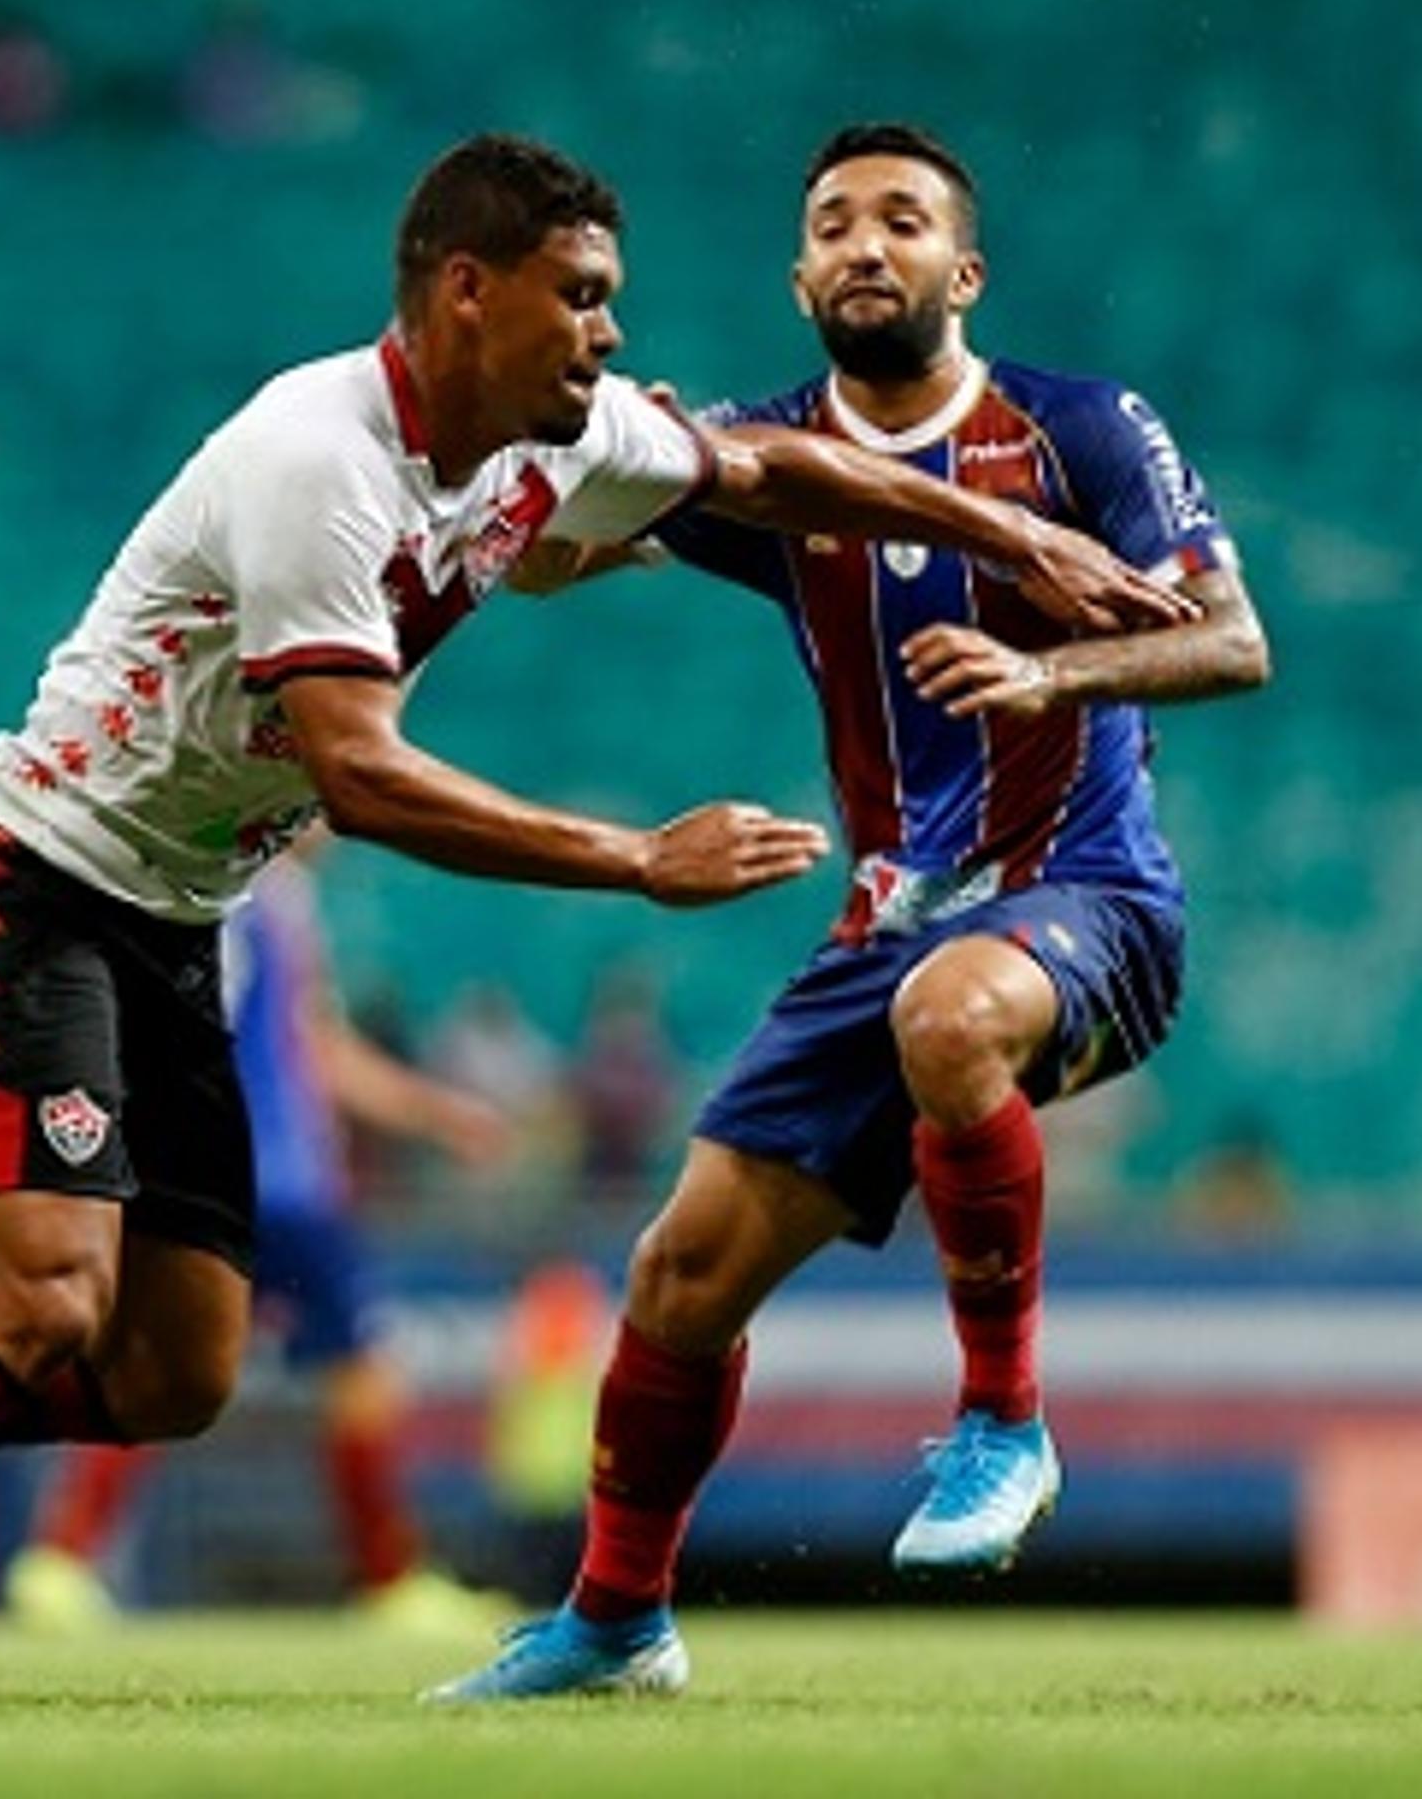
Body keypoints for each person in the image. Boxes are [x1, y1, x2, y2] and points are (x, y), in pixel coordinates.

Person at [0, 130, 1194, 1707]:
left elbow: (776, 471)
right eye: (579, 298)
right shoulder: (319, 460)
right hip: (29, 879)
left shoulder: (543, 442)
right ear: (465, 292)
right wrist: (639, 859)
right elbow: (359, 780)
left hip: (175, 912)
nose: (610, 333)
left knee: (171, 1374)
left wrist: (1017, 532)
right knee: (46, 1303)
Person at [431, 121, 1269, 1702]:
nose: (864, 244)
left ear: (965, 271)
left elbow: (1234, 643)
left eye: (901, 220)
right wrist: (593, 463)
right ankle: (616, 1626)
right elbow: (540, 564)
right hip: (888, 929)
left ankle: (1004, 1426)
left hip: (1082, 901)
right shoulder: (766, 455)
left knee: (950, 1010)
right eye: (832, 223)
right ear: (799, 273)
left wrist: (1049, 670)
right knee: (679, 1282)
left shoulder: (1081, 431)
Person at [2, 834, 516, 1635]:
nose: (337, 822)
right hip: (279, 1183)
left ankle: (58, 1563)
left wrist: (433, 1114)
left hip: (225, 1176)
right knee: (358, 1374)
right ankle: (389, 1581)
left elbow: (310, 1049)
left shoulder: (262, 894)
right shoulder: (244, 898)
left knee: (158, 1367)